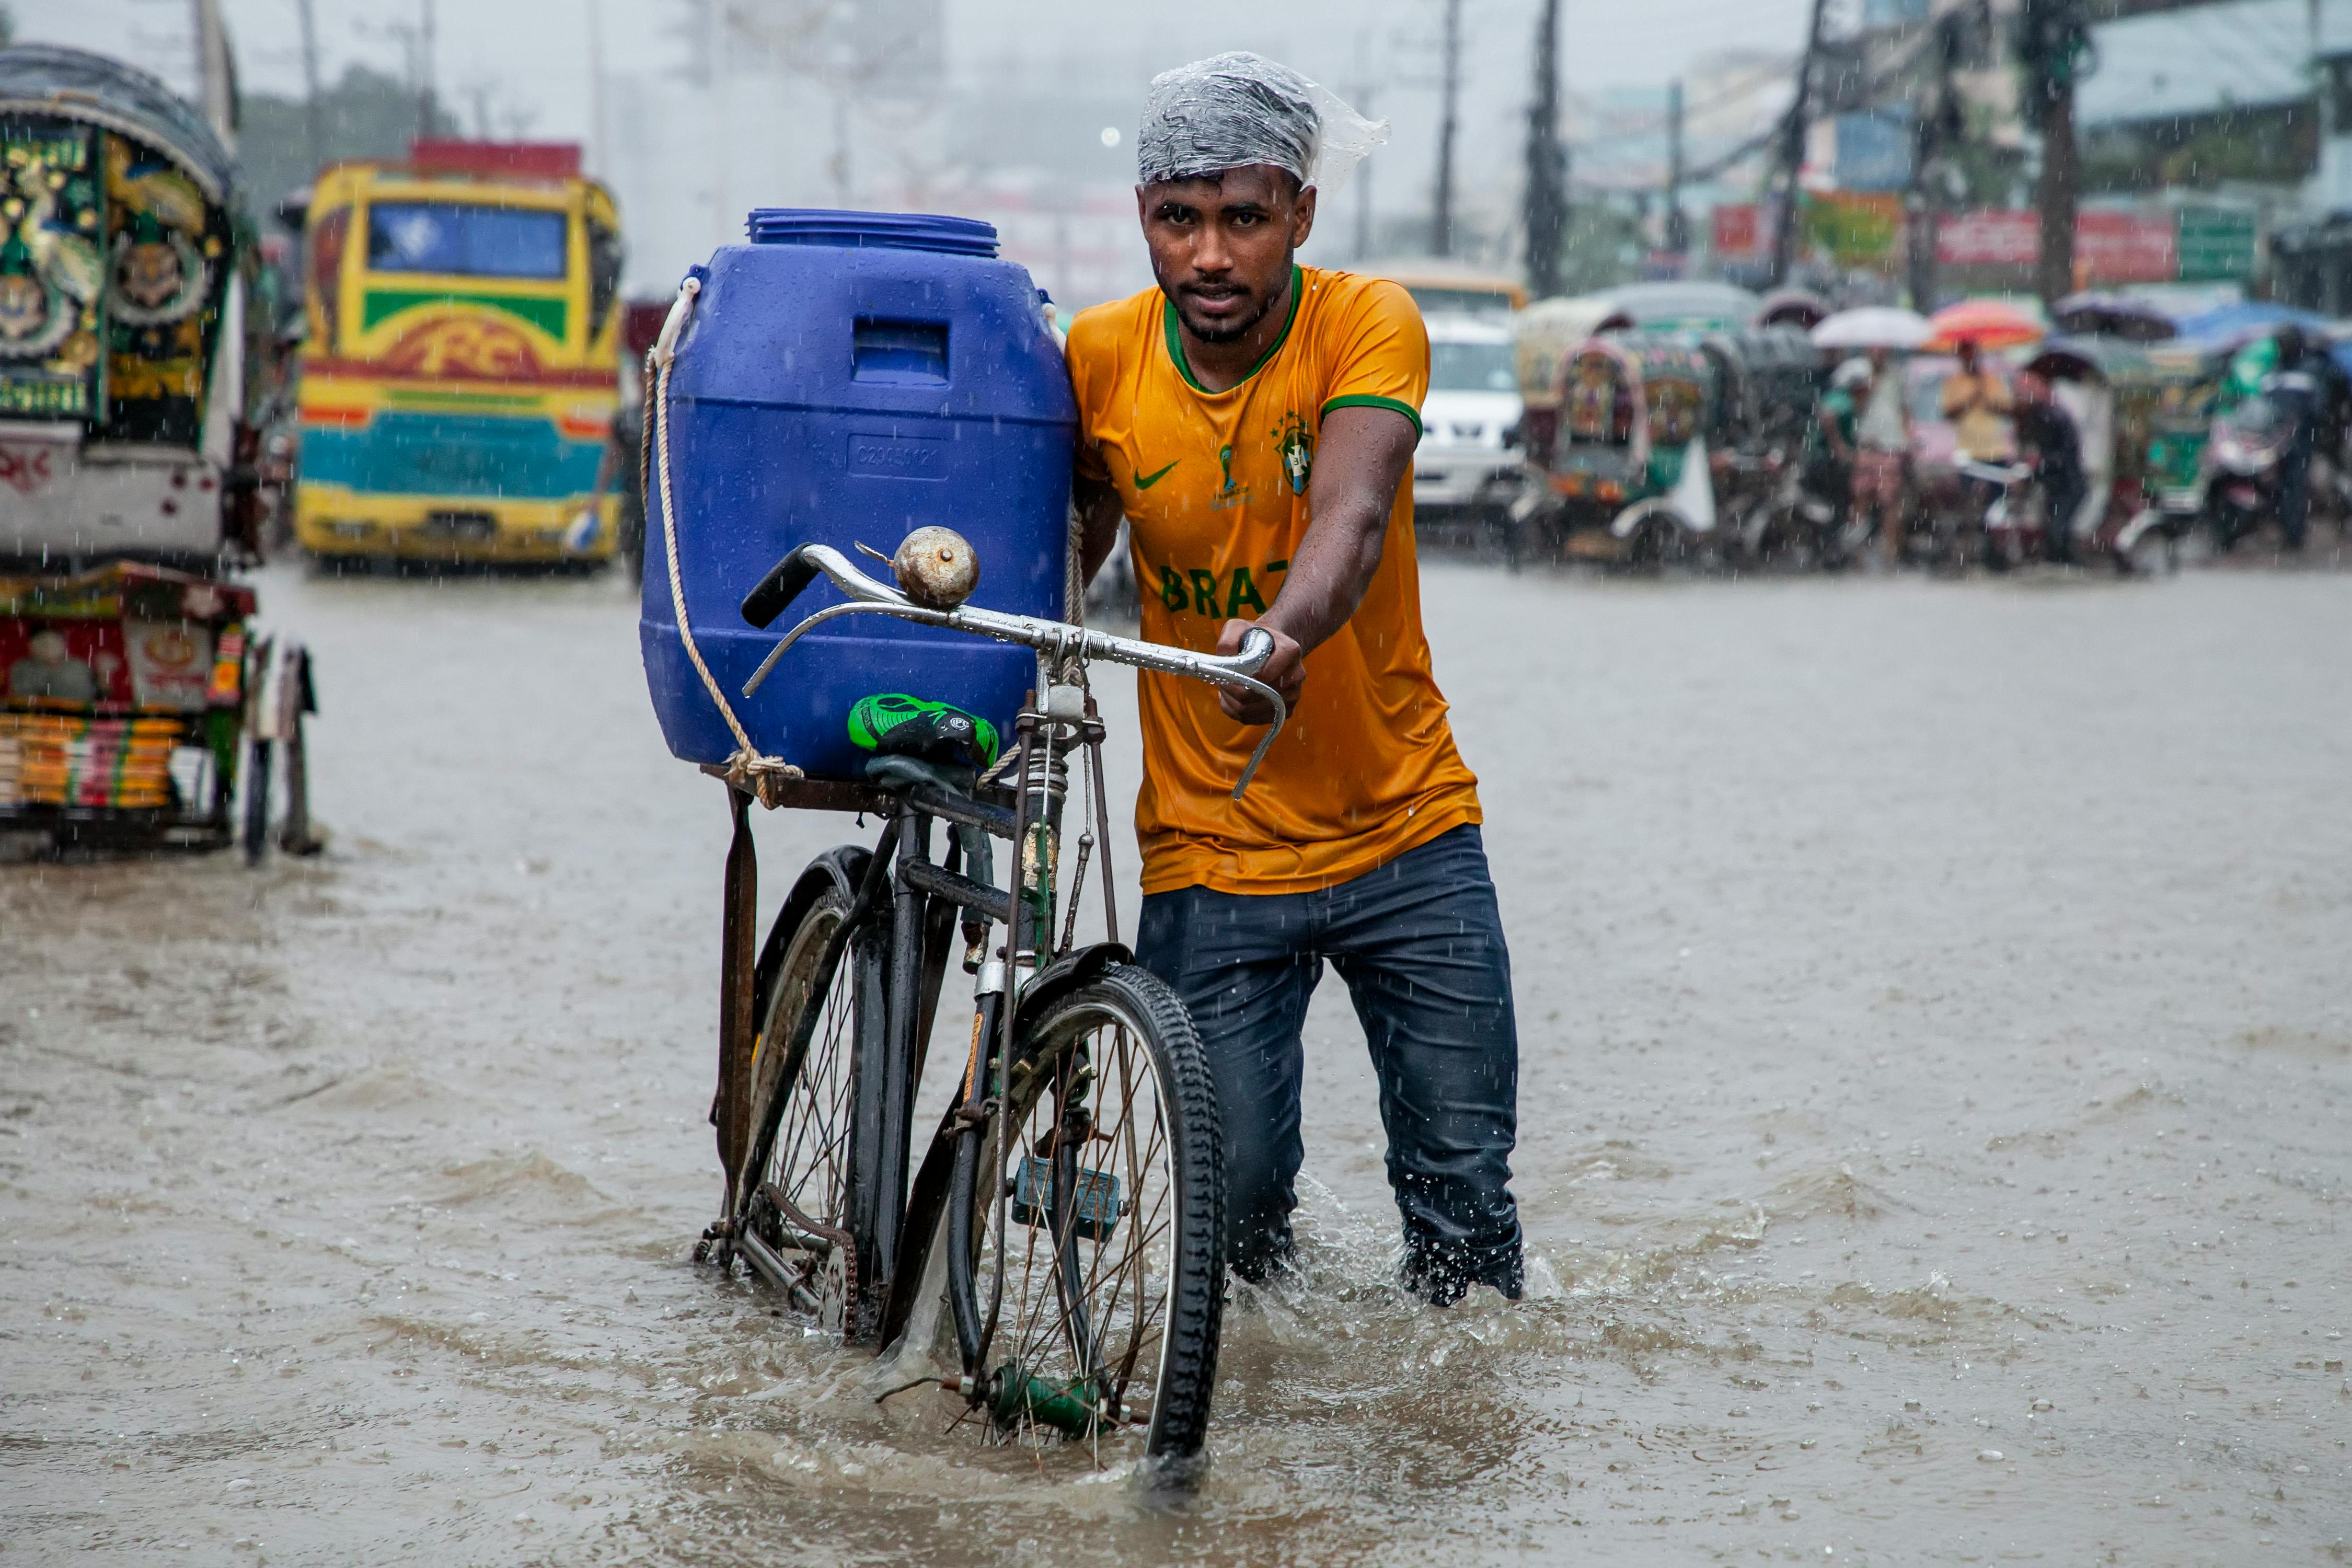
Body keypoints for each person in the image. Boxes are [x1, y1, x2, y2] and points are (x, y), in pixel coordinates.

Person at [1065, 52, 1521, 1306]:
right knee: (1232, 1215)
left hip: (1407, 832)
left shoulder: (1365, 321)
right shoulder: (1095, 357)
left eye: (1242, 219)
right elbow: (1066, 553)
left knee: (1464, 1210)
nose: (1208, 255)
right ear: (1144, 218)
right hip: (1211, 856)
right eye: (1178, 219)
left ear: (1299, 216)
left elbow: (1353, 509)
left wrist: (1282, 632)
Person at [2011, 372, 2086, 564]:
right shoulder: (2035, 417)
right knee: (2053, 529)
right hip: (2054, 483)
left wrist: (2035, 469)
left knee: (2057, 529)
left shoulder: (2051, 417)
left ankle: (2068, 564)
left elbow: (2063, 456)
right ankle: (2062, 562)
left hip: (2069, 483)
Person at [2262, 325, 2322, 552]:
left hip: (2300, 442)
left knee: (2295, 488)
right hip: (2273, 443)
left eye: (2286, 342)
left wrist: (2299, 426)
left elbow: (2316, 410)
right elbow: (2263, 407)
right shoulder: (2273, 372)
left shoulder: (2309, 370)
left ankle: (2293, 537)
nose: (2283, 346)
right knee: (2274, 487)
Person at [1851, 345, 1910, 566]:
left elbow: (1904, 410)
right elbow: (1856, 406)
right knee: (1861, 500)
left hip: (1891, 446)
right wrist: (1867, 387)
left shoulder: (1896, 376)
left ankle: (1889, 553)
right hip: (1867, 445)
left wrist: (1908, 438)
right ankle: (1858, 555)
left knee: (1890, 501)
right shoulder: (1859, 374)